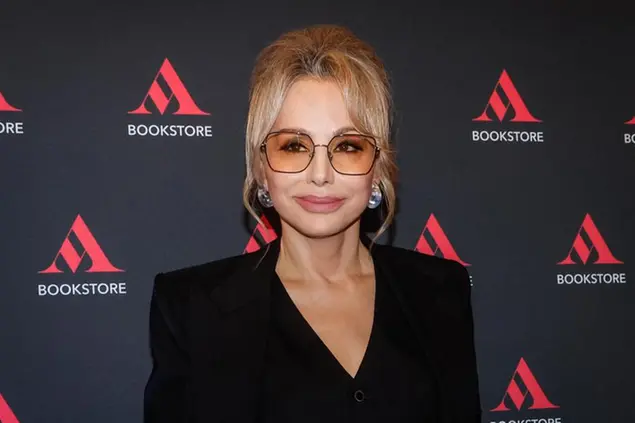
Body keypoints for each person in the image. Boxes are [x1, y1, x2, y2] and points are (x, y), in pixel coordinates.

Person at [143, 24, 481, 423]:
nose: (320, 174)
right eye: (294, 146)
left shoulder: (441, 291)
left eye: (348, 146)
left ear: (378, 169)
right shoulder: (190, 308)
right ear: (261, 169)